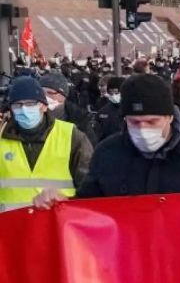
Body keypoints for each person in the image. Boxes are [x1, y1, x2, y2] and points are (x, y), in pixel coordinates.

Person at [32, 74, 180, 208]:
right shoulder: (108, 154)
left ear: (170, 116)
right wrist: (61, 203)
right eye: (134, 122)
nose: (142, 130)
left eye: (152, 122)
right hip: (130, 272)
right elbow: (88, 209)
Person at [1, 76, 93, 212]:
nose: (24, 109)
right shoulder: (2, 136)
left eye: (30, 104)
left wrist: (68, 200)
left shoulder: (71, 135)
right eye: (17, 105)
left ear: (43, 106)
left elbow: (90, 187)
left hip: (57, 224)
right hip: (12, 227)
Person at [40, 73, 98, 145]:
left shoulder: (79, 119)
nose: (45, 97)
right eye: (41, 93)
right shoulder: (33, 117)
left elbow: (91, 147)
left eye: (50, 93)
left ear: (63, 95)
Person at [94, 76, 125, 142]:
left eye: (116, 93)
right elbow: (97, 135)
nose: (114, 95)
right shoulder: (102, 112)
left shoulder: (130, 111)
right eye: (111, 93)